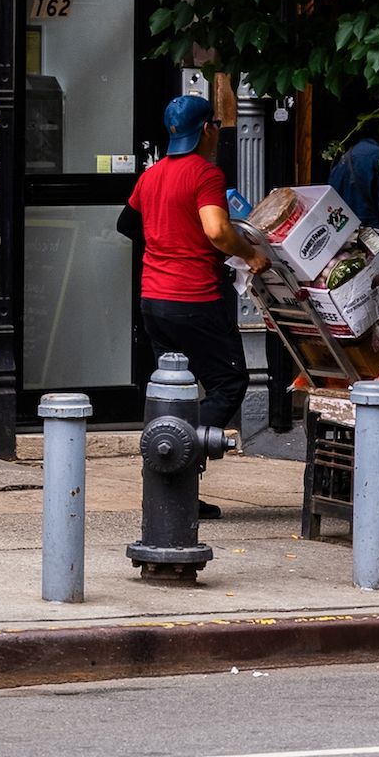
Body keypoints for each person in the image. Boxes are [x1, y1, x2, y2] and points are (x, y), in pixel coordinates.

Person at [128, 95, 269, 517]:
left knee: (173, 393)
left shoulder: (151, 176)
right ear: (207, 129)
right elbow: (217, 231)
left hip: (153, 298)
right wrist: (250, 255)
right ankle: (175, 464)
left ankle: (169, 481)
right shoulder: (206, 174)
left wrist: (166, 243)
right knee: (228, 384)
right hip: (194, 299)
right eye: (217, 125)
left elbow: (126, 223)